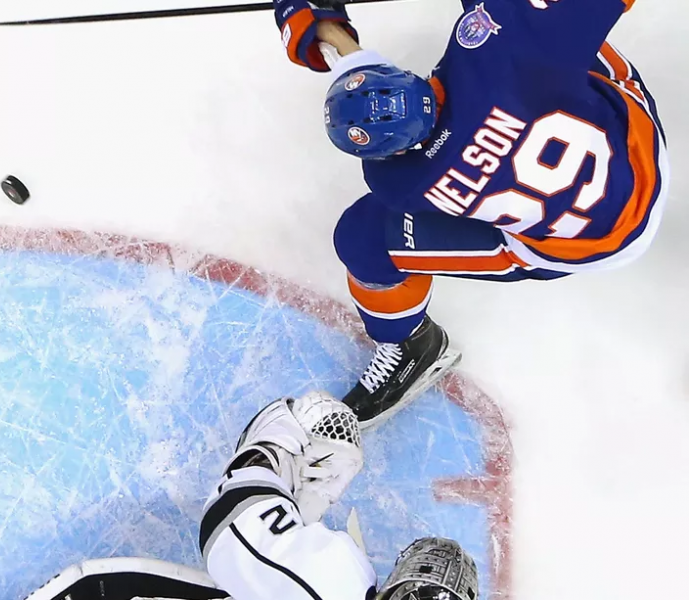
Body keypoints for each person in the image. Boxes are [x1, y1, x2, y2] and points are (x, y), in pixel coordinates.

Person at [271, 0, 668, 427]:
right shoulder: (507, 45)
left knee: (364, 237)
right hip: (637, 151)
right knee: (548, 29)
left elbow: (390, 107)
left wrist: (324, 29)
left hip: (577, 242)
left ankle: (405, 340)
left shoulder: (401, 181)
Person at [25, 391, 479, 600]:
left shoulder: (330, 581)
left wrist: (274, 450)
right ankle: (296, 518)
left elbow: (227, 520)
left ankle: (288, 494)